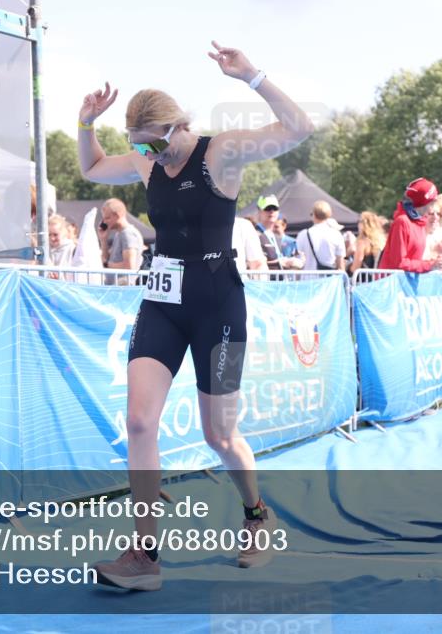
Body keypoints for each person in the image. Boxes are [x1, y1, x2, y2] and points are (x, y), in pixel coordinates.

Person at [76, 41, 313, 590]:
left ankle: (256, 514)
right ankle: (144, 555)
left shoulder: (220, 151)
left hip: (219, 307)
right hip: (163, 301)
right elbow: (91, 166)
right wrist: (86, 123)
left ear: (177, 126)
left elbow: (297, 128)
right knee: (138, 421)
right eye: (141, 149)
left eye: (156, 145)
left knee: (220, 435)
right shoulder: (144, 157)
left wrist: (253, 77)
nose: (151, 158)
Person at [381, 177, 442, 276]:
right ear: (423, 202)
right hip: (393, 285)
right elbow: (399, 263)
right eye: (432, 201)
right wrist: (430, 265)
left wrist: (438, 260)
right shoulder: (402, 222)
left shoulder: (420, 223)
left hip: (408, 284)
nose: (435, 203)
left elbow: (417, 260)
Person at [99, 198, 144, 285]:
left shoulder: (128, 234)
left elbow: (129, 266)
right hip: (116, 289)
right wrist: (103, 239)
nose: (104, 222)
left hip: (122, 290)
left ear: (117, 215)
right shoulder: (119, 234)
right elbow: (107, 258)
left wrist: (106, 264)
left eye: (107, 218)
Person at [254, 195, 301, 271]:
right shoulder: (254, 234)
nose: (272, 211)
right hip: (262, 281)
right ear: (260, 211)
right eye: (268, 208)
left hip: (279, 281)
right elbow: (253, 263)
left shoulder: (276, 236)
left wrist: (297, 260)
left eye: (275, 208)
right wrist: (281, 263)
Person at [296, 200, 346, 271]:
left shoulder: (303, 234)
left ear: (314, 215)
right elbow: (340, 265)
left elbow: (298, 261)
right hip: (329, 279)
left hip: (307, 279)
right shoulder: (336, 235)